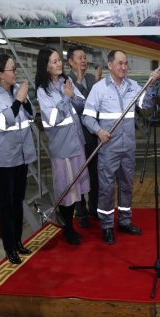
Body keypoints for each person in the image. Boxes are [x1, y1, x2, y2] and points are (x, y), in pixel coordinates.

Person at [82, 50, 160, 245]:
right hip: (108, 148)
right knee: (107, 187)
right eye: (120, 63)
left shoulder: (133, 87)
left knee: (126, 185)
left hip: (129, 147)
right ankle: (107, 225)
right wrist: (99, 131)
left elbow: (147, 105)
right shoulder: (99, 88)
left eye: (126, 63)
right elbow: (87, 117)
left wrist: (150, 86)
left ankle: (124, 221)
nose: (124, 67)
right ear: (110, 65)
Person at [0, 53, 37, 263]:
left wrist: (22, 100)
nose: (15, 73)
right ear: (0, 74)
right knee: (6, 205)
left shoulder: (17, 90)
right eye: (12, 69)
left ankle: (17, 241)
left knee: (17, 202)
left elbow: (31, 114)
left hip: (22, 156)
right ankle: (9, 247)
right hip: (5, 159)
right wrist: (17, 101)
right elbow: (3, 122)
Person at [36, 47, 90, 245]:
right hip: (62, 146)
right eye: (54, 61)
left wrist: (73, 95)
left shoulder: (66, 83)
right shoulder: (44, 91)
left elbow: (82, 105)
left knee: (76, 189)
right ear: (46, 66)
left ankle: (71, 225)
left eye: (59, 60)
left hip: (76, 143)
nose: (58, 64)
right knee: (66, 189)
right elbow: (53, 118)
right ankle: (67, 229)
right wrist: (67, 97)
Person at [66, 45, 102, 228]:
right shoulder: (67, 82)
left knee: (95, 174)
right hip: (76, 137)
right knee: (79, 174)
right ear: (70, 62)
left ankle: (95, 208)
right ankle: (81, 211)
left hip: (93, 135)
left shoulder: (92, 79)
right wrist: (79, 82)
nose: (83, 60)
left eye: (84, 57)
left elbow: (95, 105)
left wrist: (97, 83)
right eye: (79, 58)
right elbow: (76, 107)